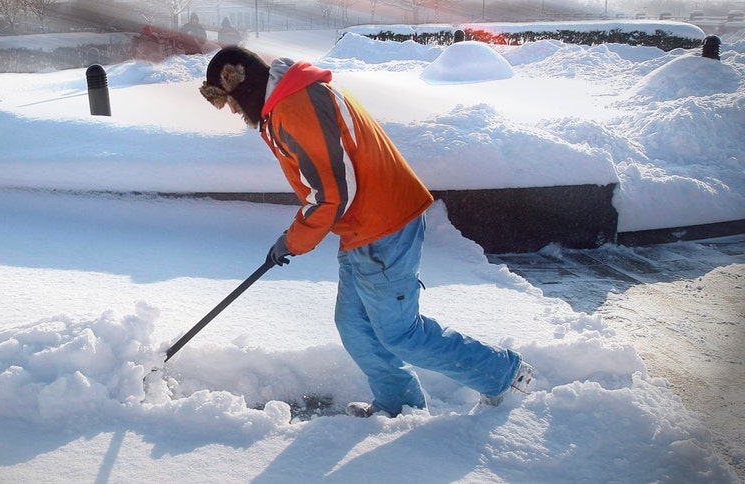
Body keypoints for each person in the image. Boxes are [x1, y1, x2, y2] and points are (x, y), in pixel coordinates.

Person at [199, 46, 533, 417]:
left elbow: (330, 194)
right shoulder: (290, 99)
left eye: (228, 100)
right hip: (362, 226)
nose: (231, 110)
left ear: (241, 85)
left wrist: (293, 241)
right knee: (355, 326)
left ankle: (504, 374)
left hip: (384, 225)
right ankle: (399, 403)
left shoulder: (296, 107)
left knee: (401, 334)